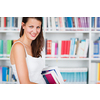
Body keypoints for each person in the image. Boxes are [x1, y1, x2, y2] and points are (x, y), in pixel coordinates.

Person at [10, 17, 46, 84]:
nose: (35, 31)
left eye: (38, 27)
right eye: (31, 26)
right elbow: (24, 83)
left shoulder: (34, 45)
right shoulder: (19, 47)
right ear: (23, 25)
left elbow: (37, 76)